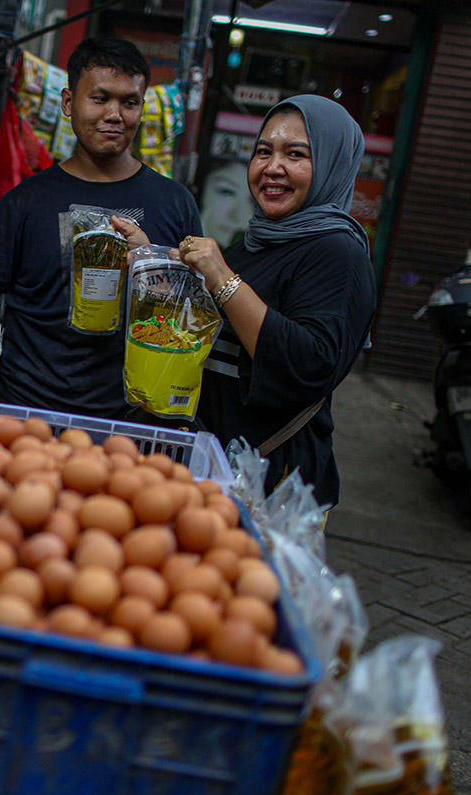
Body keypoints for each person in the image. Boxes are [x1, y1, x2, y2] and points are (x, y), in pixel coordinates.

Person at [0, 37, 202, 419]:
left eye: (129, 102)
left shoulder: (175, 203)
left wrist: (149, 262)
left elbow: (193, 311)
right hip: (24, 409)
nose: (114, 113)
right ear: (68, 103)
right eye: (100, 98)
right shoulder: (26, 200)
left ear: (141, 109)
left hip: (130, 417)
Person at [171, 95, 377, 507]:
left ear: (333, 165)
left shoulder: (338, 252)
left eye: (295, 154)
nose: (272, 167)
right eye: (263, 151)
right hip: (214, 471)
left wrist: (224, 279)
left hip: (273, 486)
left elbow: (311, 364)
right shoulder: (252, 244)